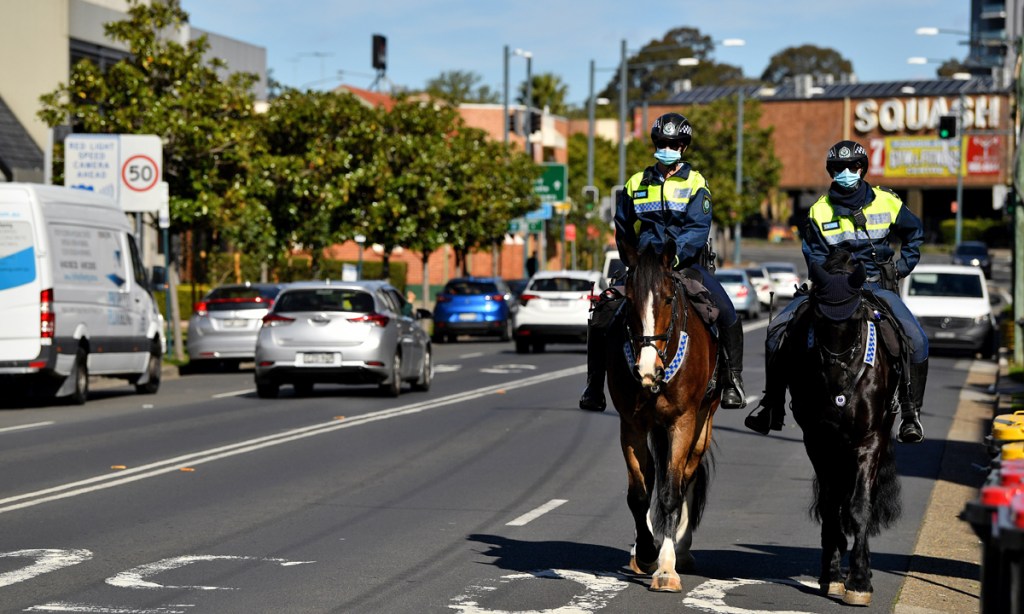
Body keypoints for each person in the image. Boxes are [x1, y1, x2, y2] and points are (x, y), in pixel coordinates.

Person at [744, 140, 928, 443]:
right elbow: (814, 255)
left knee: (917, 339)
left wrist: (900, 267)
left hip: (874, 286)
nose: (846, 172)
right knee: (777, 330)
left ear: (862, 169)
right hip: (831, 288)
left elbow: (914, 234)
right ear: (832, 171)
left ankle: (910, 413)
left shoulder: (888, 201)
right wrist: (830, 282)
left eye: (852, 167)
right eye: (838, 168)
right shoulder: (819, 211)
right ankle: (771, 406)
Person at [578, 112, 747, 412]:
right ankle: (594, 386)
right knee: (603, 312)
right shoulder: (635, 183)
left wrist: (673, 258)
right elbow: (623, 227)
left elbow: (697, 229)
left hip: (685, 266)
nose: (668, 148)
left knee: (727, 311)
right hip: (643, 268)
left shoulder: (696, 183)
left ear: (684, 147)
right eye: (662, 142)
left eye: (675, 143)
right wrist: (633, 260)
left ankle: (732, 380)